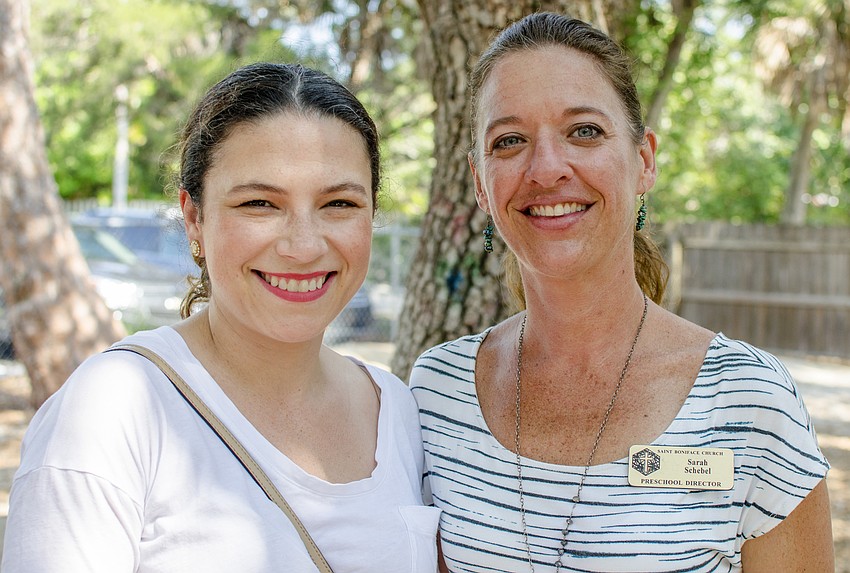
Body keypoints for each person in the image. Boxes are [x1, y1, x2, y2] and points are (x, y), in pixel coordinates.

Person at [409, 12, 833, 573]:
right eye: (509, 141)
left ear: (644, 159)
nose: (546, 168)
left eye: (584, 131)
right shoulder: (436, 394)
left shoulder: (749, 402)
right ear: (480, 183)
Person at [3, 62, 440, 572]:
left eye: (338, 203)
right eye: (260, 203)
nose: (302, 245)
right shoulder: (115, 407)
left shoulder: (396, 410)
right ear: (194, 218)